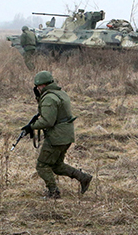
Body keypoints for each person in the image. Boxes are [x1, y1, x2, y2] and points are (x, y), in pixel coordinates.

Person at [21, 71, 92, 199]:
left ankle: (53, 192)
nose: (37, 89)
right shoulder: (60, 94)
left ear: (43, 85)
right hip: (66, 135)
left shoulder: (49, 98)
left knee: (42, 165)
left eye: (38, 86)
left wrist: (30, 127)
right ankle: (83, 178)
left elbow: (48, 121)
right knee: (57, 166)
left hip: (56, 137)